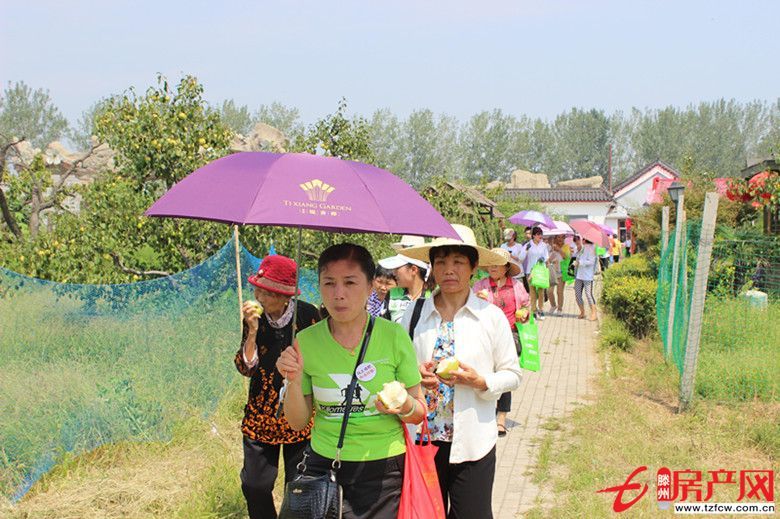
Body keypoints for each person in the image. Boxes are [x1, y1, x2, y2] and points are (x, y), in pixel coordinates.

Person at [276, 244, 426, 519]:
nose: (339, 294)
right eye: (329, 283)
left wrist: (403, 405)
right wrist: (293, 381)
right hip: (323, 467)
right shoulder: (305, 342)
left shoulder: (393, 336)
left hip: (383, 471)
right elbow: (297, 423)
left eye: (350, 282)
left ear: (370, 286)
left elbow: (419, 412)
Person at [399, 224, 522, 518]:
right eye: (441, 262)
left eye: (458, 262)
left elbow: (512, 374)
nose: (449, 270)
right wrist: (416, 375)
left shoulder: (490, 317)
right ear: (432, 267)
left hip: (473, 442)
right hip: (424, 439)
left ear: (473, 267)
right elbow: (397, 369)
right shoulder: (414, 313)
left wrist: (481, 381)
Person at [234, 255, 321, 519]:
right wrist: (251, 331)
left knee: (299, 489)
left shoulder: (308, 315)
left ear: (285, 296)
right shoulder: (254, 319)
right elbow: (246, 368)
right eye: (257, 289)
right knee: (254, 486)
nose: (258, 296)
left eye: (266, 292)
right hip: (261, 415)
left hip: (298, 414)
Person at [472, 248, 529, 437]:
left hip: (510, 335)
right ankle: (485, 412)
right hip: (484, 335)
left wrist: (524, 314)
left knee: (504, 374)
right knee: (485, 373)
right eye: (490, 264)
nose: (493, 267)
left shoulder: (516, 286)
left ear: (506, 267)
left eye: (497, 264)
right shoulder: (480, 286)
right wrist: (476, 300)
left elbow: (526, 306)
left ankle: (501, 418)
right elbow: (468, 307)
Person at [378, 254, 431, 322]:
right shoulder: (392, 294)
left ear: (413, 270)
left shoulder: (434, 295)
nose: (394, 273)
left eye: (397, 268)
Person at [522, 226, 550, 320]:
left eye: (541, 234)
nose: (540, 236)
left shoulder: (543, 245)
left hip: (540, 271)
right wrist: (526, 250)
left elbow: (546, 257)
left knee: (541, 292)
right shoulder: (528, 245)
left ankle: (541, 310)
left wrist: (544, 260)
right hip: (530, 271)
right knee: (532, 292)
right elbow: (521, 257)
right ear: (533, 235)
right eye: (538, 234)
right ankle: (534, 311)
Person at [574, 239, 598, 321]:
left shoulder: (593, 248)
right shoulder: (583, 247)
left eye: (582, 239)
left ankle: (594, 313)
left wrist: (580, 262)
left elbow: (591, 261)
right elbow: (578, 257)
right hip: (579, 275)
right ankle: (582, 312)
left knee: (588, 294)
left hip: (587, 276)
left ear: (585, 240)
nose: (581, 240)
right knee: (577, 294)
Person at [547, 235, 565, 313]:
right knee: (549, 291)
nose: (560, 239)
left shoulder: (565, 246)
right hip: (551, 272)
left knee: (559, 292)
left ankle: (560, 309)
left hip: (561, 272)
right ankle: (553, 305)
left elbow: (566, 257)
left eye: (562, 237)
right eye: (558, 237)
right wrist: (551, 258)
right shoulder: (548, 248)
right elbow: (546, 260)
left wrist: (559, 250)